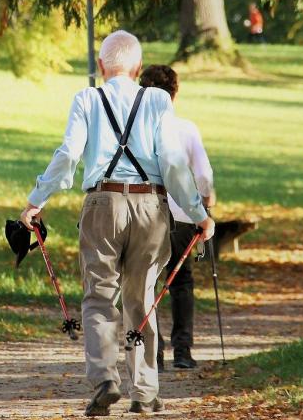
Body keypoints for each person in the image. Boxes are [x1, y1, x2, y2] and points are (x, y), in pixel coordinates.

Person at [19, 30, 216, 416]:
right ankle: (144, 391)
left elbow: (68, 154)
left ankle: (105, 379)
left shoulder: (87, 99)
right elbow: (174, 165)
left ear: (101, 66)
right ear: (138, 68)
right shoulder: (158, 100)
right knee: (142, 299)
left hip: (102, 203)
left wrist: (35, 201)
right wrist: (198, 214)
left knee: (98, 296)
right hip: (150, 206)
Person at [138, 65, 214, 371]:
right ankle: (183, 350)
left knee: (147, 281)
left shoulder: (136, 130)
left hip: (146, 213)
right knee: (182, 281)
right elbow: (204, 174)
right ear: (175, 93)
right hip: (183, 214)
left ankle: (153, 352)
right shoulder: (185, 128)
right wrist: (206, 202)